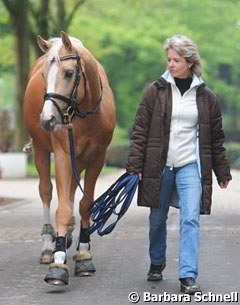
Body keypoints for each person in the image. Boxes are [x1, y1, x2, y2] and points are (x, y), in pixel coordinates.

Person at [126, 34, 232, 294]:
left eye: (176, 60)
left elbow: (215, 139)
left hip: (189, 166)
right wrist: (134, 166)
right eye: (169, 59)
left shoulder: (207, 97)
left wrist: (222, 170)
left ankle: (187, 275)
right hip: (159, 165)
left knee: (190, 219)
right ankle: (157, 262)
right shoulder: (155, 91)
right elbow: (140, 130)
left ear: (190, 62)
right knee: (157, 219)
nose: (171, 64)